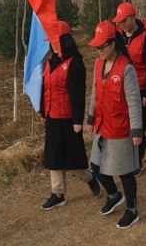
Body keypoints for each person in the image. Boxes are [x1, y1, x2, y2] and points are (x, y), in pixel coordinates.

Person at [87, 20, 143, 229]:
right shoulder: (98, 64)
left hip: (121, 127)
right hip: (102, 125)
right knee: (96, 166)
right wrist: (91, 117)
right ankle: (114, 195)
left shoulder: (126, 69)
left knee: (124, 171)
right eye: (96, 47)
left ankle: (132, 210)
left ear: (113, 44)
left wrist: (136, 131)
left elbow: (134, 102)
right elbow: (95, 92)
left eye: (102, 46)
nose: (99, 51)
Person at [39, 21, 101, 211]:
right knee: (54, 157)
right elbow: (45, 87)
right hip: (52, 115)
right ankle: (58, 194)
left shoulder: (75, 63)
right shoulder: (51, 60)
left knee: (73, 159)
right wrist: (43, 111)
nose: (52, 44)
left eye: (55, 41)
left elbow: (77, 94)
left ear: (64, 40)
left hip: (67, 118)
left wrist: (77, 120)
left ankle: (90, 178)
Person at [113, 2, 146, 176]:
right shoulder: (117, 37)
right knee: (126, 126)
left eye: (125, 20)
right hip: (122, 90)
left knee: (138, 126)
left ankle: (137, 162)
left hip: (140, 89)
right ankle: (132, 155)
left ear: (134, 17)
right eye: (119, 21)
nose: (121, 24)